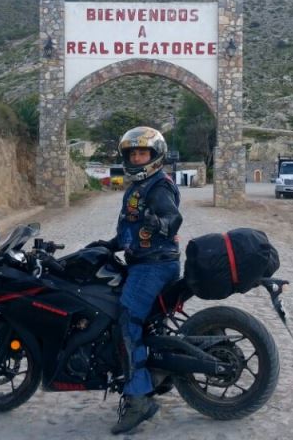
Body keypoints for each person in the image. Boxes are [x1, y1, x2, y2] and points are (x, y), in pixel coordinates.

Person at [108, 126, 182, 434]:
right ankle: (158, 373)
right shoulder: (139, 185)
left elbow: (173, 218)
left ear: (155, 156)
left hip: (154, 265)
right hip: (143, 261)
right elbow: (130, 228)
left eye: (143, 153)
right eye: (133, 153)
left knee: (127, 320)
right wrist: (106, 245)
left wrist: (160, 222)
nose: (137, 158)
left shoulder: (158, 186)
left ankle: (138, 398)